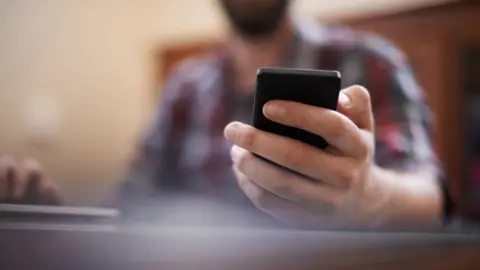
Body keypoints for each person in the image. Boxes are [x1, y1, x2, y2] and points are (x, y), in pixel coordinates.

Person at [0, 0, 461, 228]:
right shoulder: (184, 87)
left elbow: (435, 200)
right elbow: (131, 204)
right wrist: (55, 225)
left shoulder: (372, 62)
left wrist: (369, 194)